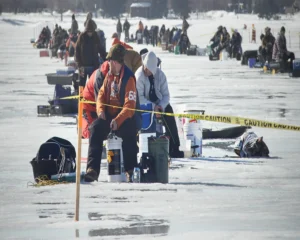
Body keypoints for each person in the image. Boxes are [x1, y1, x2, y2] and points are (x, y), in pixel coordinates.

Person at [84, 44, 139, 182]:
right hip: (109, 116)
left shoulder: (129, 79)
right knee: (95, 128)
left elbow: (129, 106)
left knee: (129, 131)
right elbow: (101, 95)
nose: (108, 63)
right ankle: (92, 170)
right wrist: (101, 110)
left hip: (125, 117)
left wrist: (118, 121)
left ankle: (130, 169)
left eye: (110, 61)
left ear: (115, 61)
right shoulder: (109, 75)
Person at [135, 51, 184, 158]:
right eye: (146, 68)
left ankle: (175, 147)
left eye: (150, 70)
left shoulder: (161, 75)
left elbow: (166, 95)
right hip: (145, 106)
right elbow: (139, 98)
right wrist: (153, 108)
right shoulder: (139, 76)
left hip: (159, 104)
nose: (147, 71)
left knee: (169, 113)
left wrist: (161, 107)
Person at [82, 61, 110, 139]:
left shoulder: (112, 72)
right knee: (91, 132)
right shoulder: (99, 77)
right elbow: (100, 99)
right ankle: (81, 123)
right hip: (89, 105)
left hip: (97, 103)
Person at [75, 19, 106, 87]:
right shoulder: (81, 37)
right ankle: (81, 97)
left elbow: (100, 49)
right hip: (83, 66)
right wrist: (79, 64)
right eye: (88, 31)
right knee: (81, 85)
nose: (90, 33)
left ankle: (92, 97)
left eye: (91, 31)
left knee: (93, 84)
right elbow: (77, 51)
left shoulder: (95, 36)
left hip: (93, 66)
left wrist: (105, 57)